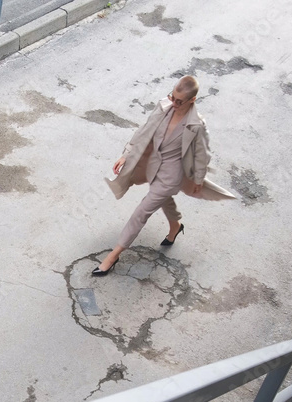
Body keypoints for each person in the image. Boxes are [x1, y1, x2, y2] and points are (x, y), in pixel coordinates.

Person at [93, 75, 235, 276]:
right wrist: (126, 154)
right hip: (152, 166)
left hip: (171, 176)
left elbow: (203, 155)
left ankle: (114, 255)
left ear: (192, 100)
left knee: (141, 212)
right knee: (161, 199)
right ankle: (175, 225)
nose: (174, 103)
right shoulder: (164, 106)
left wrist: (198, 178)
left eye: (179, 101)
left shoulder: (196, 124)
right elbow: (144, 131)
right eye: (172, 97)